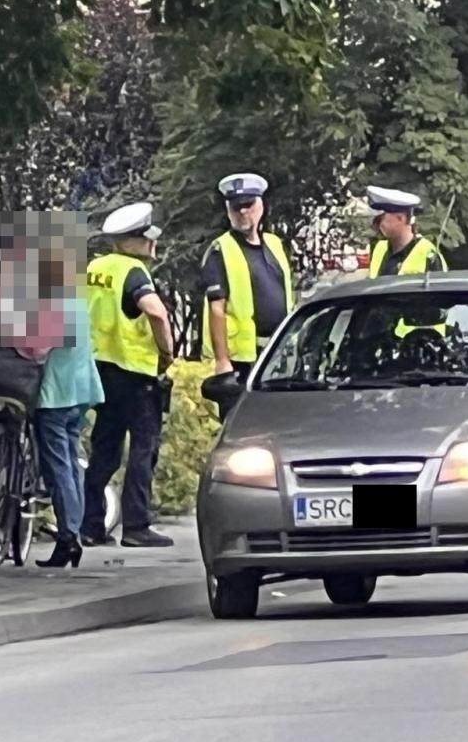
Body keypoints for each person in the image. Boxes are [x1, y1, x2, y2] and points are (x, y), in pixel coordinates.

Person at [81, 202, 177, 549]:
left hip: (99, 370)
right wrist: (166, 352)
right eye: (147, 238)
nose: (152, 245)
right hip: (136, 374)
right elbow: (155, 312)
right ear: (132, 241)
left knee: (104, 449)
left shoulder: (93, 268)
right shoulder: (134, 272)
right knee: (143, 447)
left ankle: (90, 525)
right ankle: (136, 526)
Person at [33, 241, 104, 568]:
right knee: (72, 462)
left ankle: (68, 536)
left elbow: (38, 350)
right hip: (81, 390)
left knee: (58, 465)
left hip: (56, 394)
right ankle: (72, 531)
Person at [200, 172, 295, 385]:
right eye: (236, 207)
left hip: (277, 350)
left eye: (248, 204)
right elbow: (216, 309)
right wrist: (222, 361)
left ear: (261, 206)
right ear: (228, 211)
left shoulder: (274, 243)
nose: (243, 211)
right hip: (241, 360)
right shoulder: (220, 249)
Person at [365, 186, 447, 277]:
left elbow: (441, 289)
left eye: (382, 218)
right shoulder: (379, 248)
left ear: (401, 218)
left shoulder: (428, 255)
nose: (380, 224)